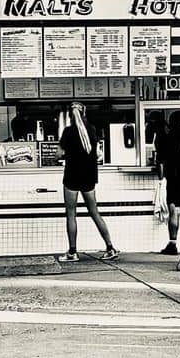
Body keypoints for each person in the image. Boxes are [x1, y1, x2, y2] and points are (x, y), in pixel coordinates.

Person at [56, 102, 119, 262]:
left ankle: (72, 252)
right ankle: (110, 247)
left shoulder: (68, 132)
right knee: (94, 212)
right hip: (89, 176)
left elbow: (57, 155)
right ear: (84, 113)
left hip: (71, 176)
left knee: (71, 214)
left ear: (70, 115)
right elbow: (97, 154)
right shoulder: (92, 130)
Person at [157, 110, 180, 256]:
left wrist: (161, 178)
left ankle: (173, 243)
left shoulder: (166, 136)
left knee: (173, 210)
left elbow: (160, 161)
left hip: (172, 177)